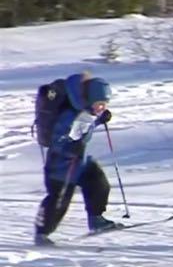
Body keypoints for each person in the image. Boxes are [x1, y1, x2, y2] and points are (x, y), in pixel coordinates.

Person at [35, 72, 119, 246]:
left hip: (78, 162)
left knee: (98, 183)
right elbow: (57, 140)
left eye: (104, 106)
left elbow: (83, 129)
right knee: (59, 201)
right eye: (99, 105)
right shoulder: (70, 115)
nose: (101, 109)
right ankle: (42, 234)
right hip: (60, 166)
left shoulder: (84, 110)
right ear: (90, 100)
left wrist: (99, 121)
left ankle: (96, 220)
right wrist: (72, 145)